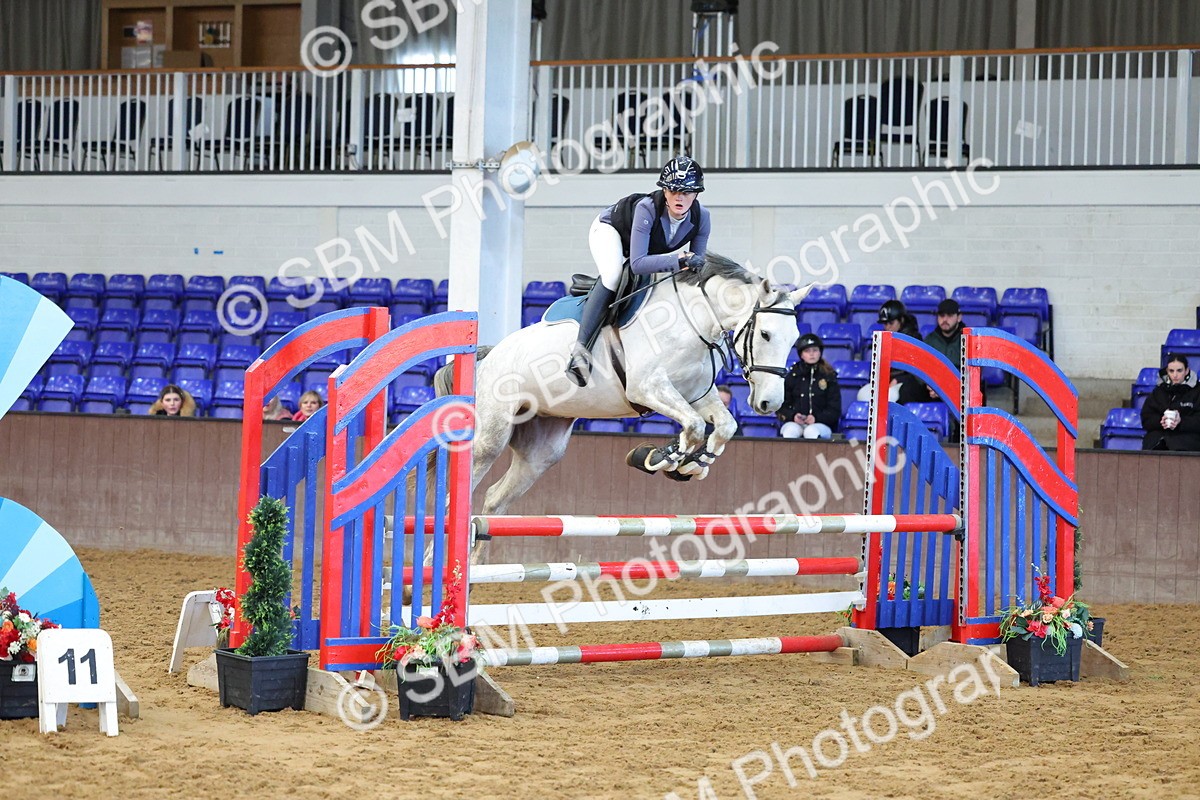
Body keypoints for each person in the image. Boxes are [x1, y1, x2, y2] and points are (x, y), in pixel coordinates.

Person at [565, 155, 711, 386]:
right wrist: (681, 259)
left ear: (696, 194)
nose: (679, 197)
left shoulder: (702, 217)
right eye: (673, 190)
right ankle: (580, 352)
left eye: (686, 192)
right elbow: (638, 264)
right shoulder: (647, 208)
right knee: (613, 275)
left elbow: (697, 265)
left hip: (642, 246)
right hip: (610, 231)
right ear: (664, 191)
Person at [778, 333, 840, 440]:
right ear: (801, 355)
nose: (812, 354)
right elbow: (781, 406)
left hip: (821, 424)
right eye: (807, 351)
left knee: (811, 432)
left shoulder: (829, 376)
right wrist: (793, 416)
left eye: (815, 350)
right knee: (789, 431)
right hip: (795, 423)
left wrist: (816, 418)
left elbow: (835, 410)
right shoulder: (793, 375)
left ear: (820, 353)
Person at [1141, 354, 1200, 451]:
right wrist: (1161, 421)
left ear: (1187, 371)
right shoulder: (1158, 391)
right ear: (1167, 371)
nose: (1175, 375)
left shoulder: (1197, 391)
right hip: (1157, 441)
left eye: (1179, 370)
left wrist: (1181, 422)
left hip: (1188, 442)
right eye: (1171, 371)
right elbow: (1146, 418)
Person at [876, 299, 928, 405]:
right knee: (863, 394)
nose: (887, 327)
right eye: (885, 323)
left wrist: (898, 379)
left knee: (891, 396)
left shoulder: (914, 339)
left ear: (902, 320)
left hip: (906, 384)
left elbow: (917, 372)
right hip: (887, 382)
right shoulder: (883, 339)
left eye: (891, 323)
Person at [923, 298, 965, 370]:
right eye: (941, 315)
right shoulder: (929, 340)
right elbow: (921, 369)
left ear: (959, 317)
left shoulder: (968, 341)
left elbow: (973, 373)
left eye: (950, 315)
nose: (945, 319)